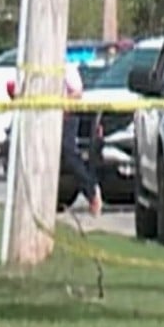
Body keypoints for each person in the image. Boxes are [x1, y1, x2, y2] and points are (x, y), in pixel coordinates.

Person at [62, 61, 102, 216]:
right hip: (43, 118)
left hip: (67, 116)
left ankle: (91, 192)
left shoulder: (66, 68)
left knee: (69, 154)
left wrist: (64, 105)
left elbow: (77, 92)